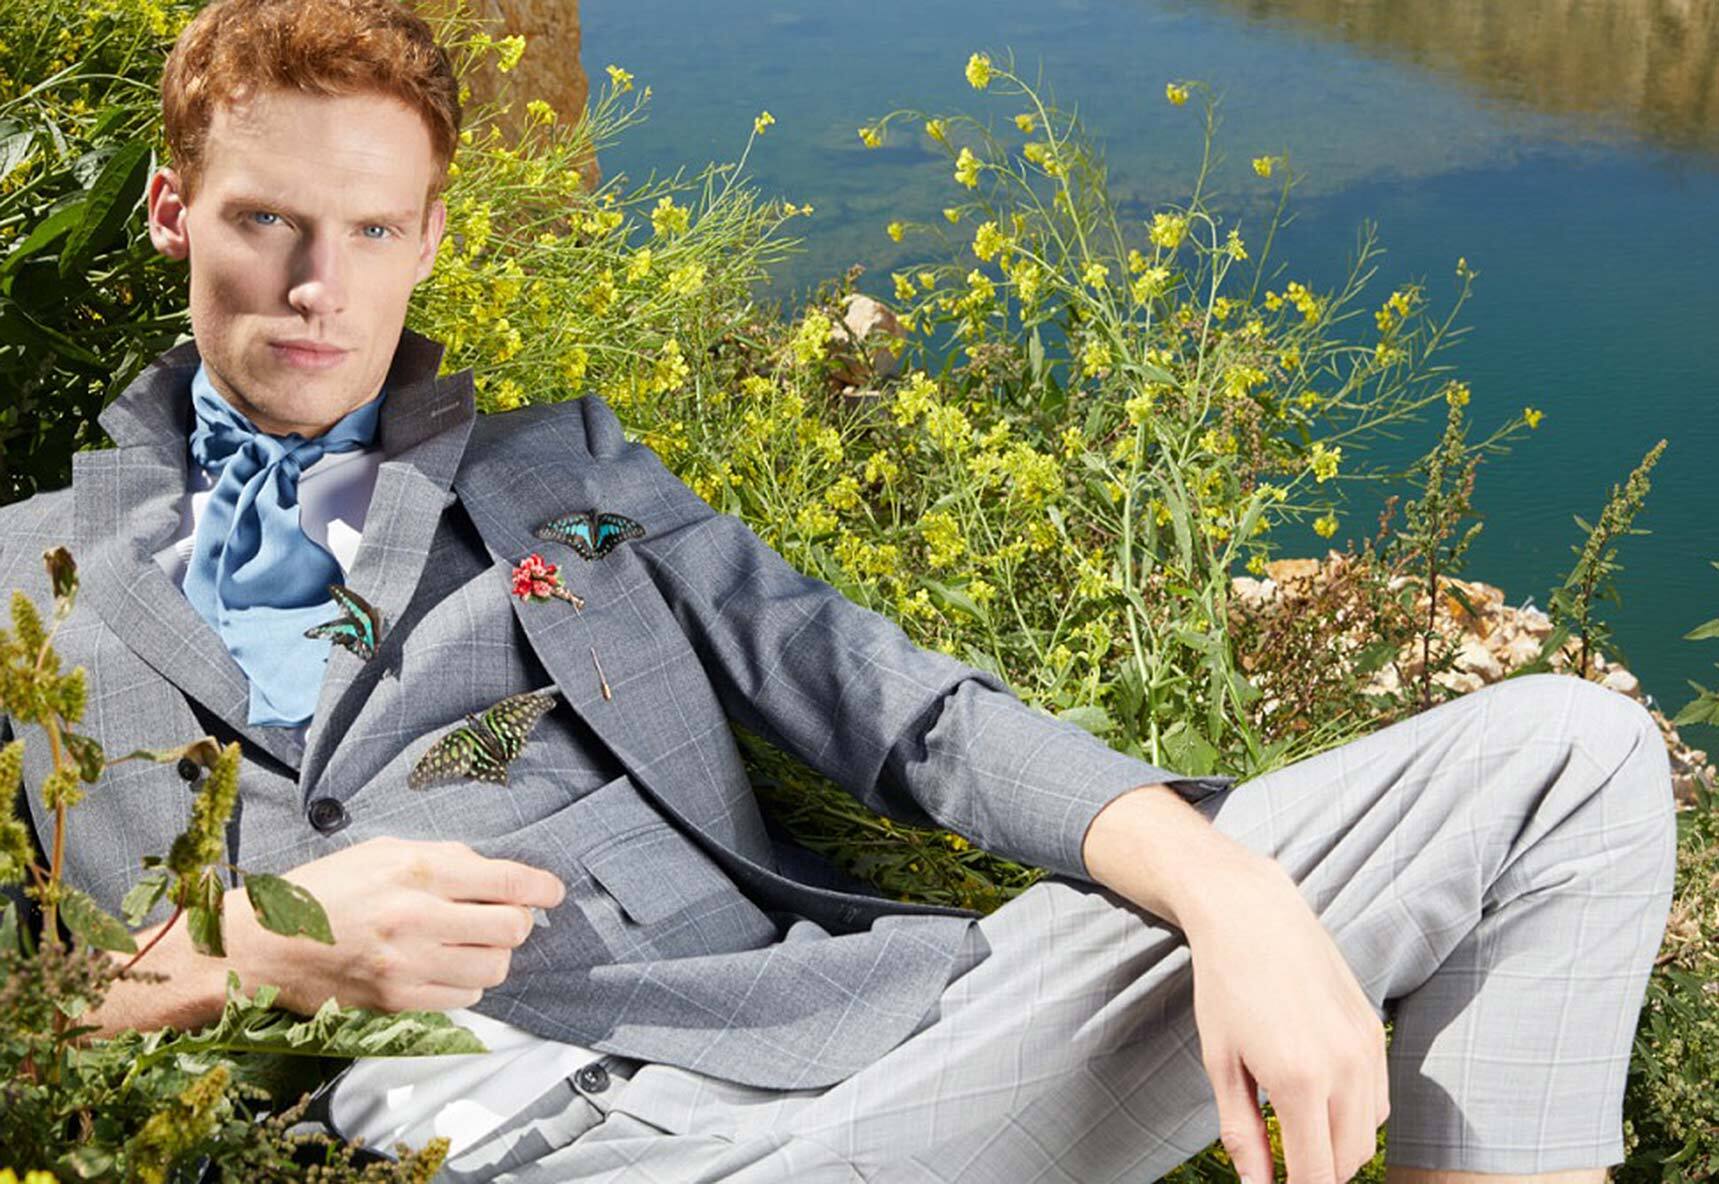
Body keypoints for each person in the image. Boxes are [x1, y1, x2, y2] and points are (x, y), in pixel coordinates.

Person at [0, 0, 1677, 1181]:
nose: (318, 286)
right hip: (515, 1157)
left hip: (881, 1073)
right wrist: (259, 947)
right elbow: (31, 1028)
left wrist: (1233, 893)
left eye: (371, 232)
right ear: (173, 211)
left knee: (1565, 760)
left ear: (432, 236)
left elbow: (898, 709)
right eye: (270, 222)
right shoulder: (23, 582)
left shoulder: (559, 473)